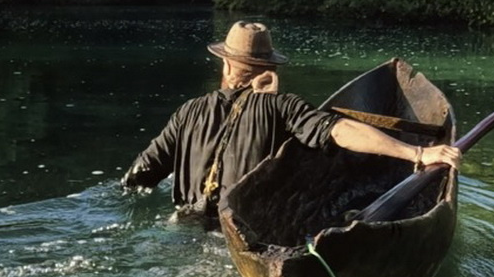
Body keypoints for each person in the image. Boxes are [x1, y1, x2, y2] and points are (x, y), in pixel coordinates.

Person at [122, 21, 460, 225]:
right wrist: (418, 153)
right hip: (240, 235)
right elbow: (340, 131)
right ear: (270, 68)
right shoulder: (283, 107)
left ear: (225, 65)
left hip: (182, 229)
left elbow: (139, 177)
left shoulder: (187, 112)